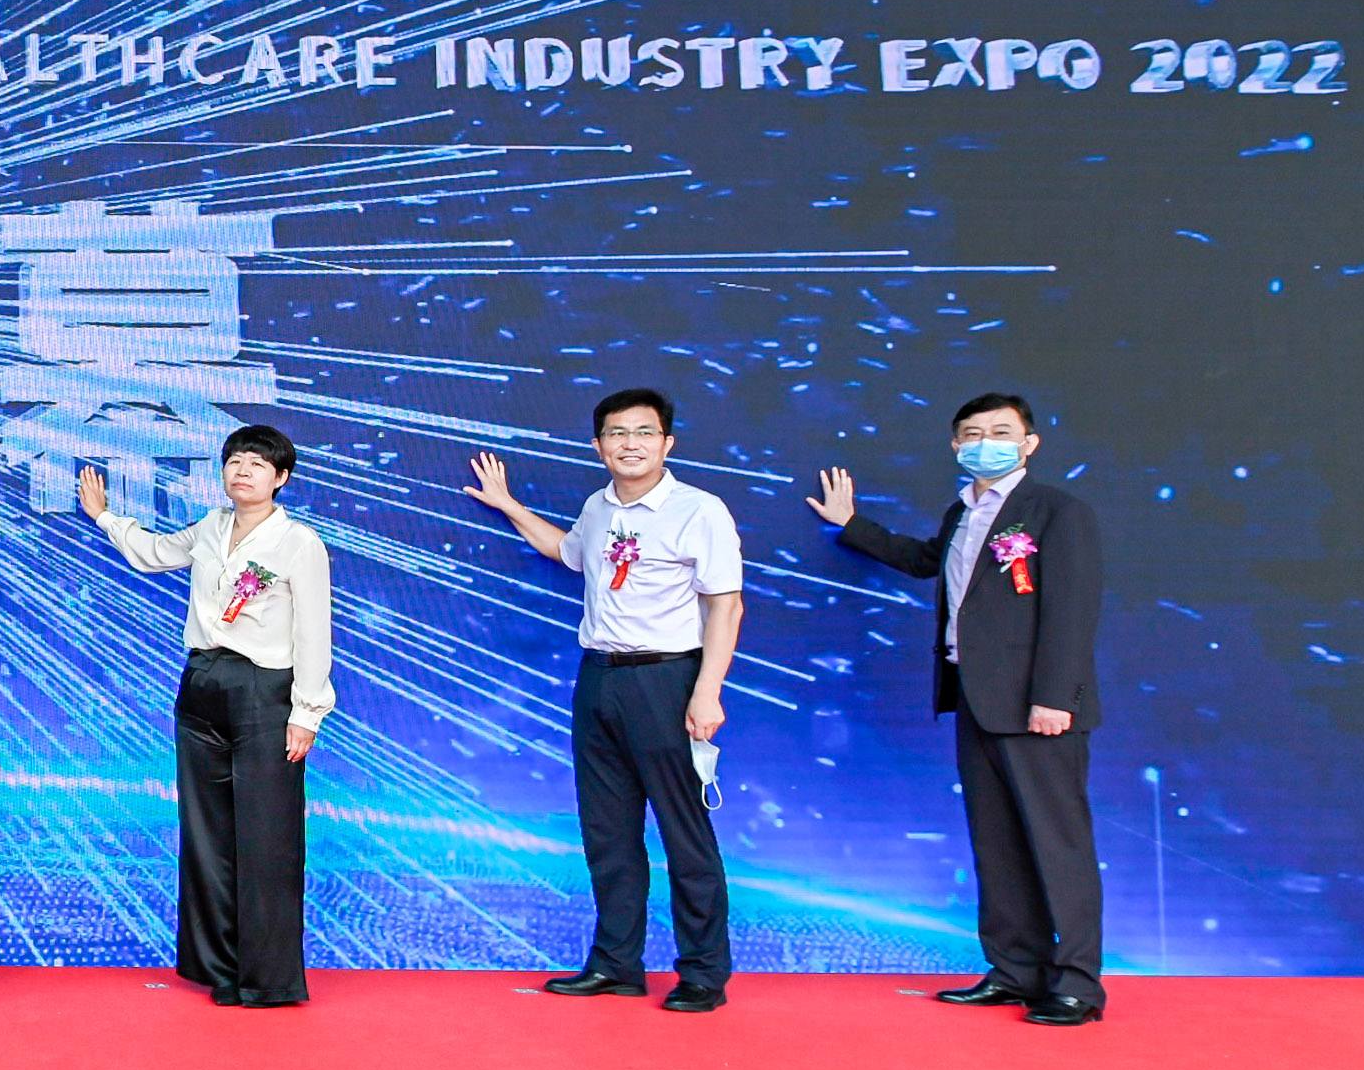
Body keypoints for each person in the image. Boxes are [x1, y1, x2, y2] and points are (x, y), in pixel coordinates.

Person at [811, 392, 1108, 1024]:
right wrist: (850, 524)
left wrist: (1053, 698)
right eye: (971, 434)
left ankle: (1078, 984)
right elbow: (925, 561)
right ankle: (1016, 970)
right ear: (955, 445)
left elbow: (1071, 613)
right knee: (996, 843)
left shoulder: (1058, 511)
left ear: (1029, 443)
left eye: (1000, 432)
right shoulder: (962, 512)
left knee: (1058, 846)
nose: (984, 443)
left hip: (1038, 709)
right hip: (976, 700)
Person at [465, 388, 743, 1012]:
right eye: (617, 433)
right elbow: (564, 552)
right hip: (598, 679)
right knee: (608, 831)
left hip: (667, 679)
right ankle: (617, 963)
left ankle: (703, 972)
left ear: (667, 443)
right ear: (598, 446)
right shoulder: (597, 506)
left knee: (683, 831)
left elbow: (726, 606)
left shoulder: (699, 510)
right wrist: (508, 504)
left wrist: (707, 692)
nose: (630, 444)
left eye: (644, 432)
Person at [85, 422, 334, 1007]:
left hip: (264, 691)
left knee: (267, 836)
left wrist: (307, 711)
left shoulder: (299, 543)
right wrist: (105, 517)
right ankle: (222, 968)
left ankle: (268, 979)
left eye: (258, 463)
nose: (243, 470)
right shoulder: (210, 527)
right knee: (207, 832)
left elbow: (314, 631)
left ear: (281, 478)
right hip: (201, 680)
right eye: (235, 460)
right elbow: (154, 553)